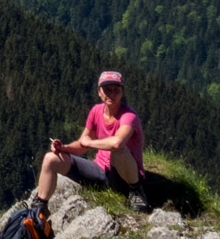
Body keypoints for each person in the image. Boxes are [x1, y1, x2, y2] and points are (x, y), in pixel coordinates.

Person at [35, 70, 148, 215]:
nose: (111, 94)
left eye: (116, 90)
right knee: (50, 158)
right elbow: (82, 144)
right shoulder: (96, 111)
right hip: (100, 170)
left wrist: (89, 143)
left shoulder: (128, 116)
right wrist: (64, 148)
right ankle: (39, 206)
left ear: (122, 92)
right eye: (107, 90)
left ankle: (136, 190)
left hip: (123, 177)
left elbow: (117, 143)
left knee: (118, 151)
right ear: (99, 92)